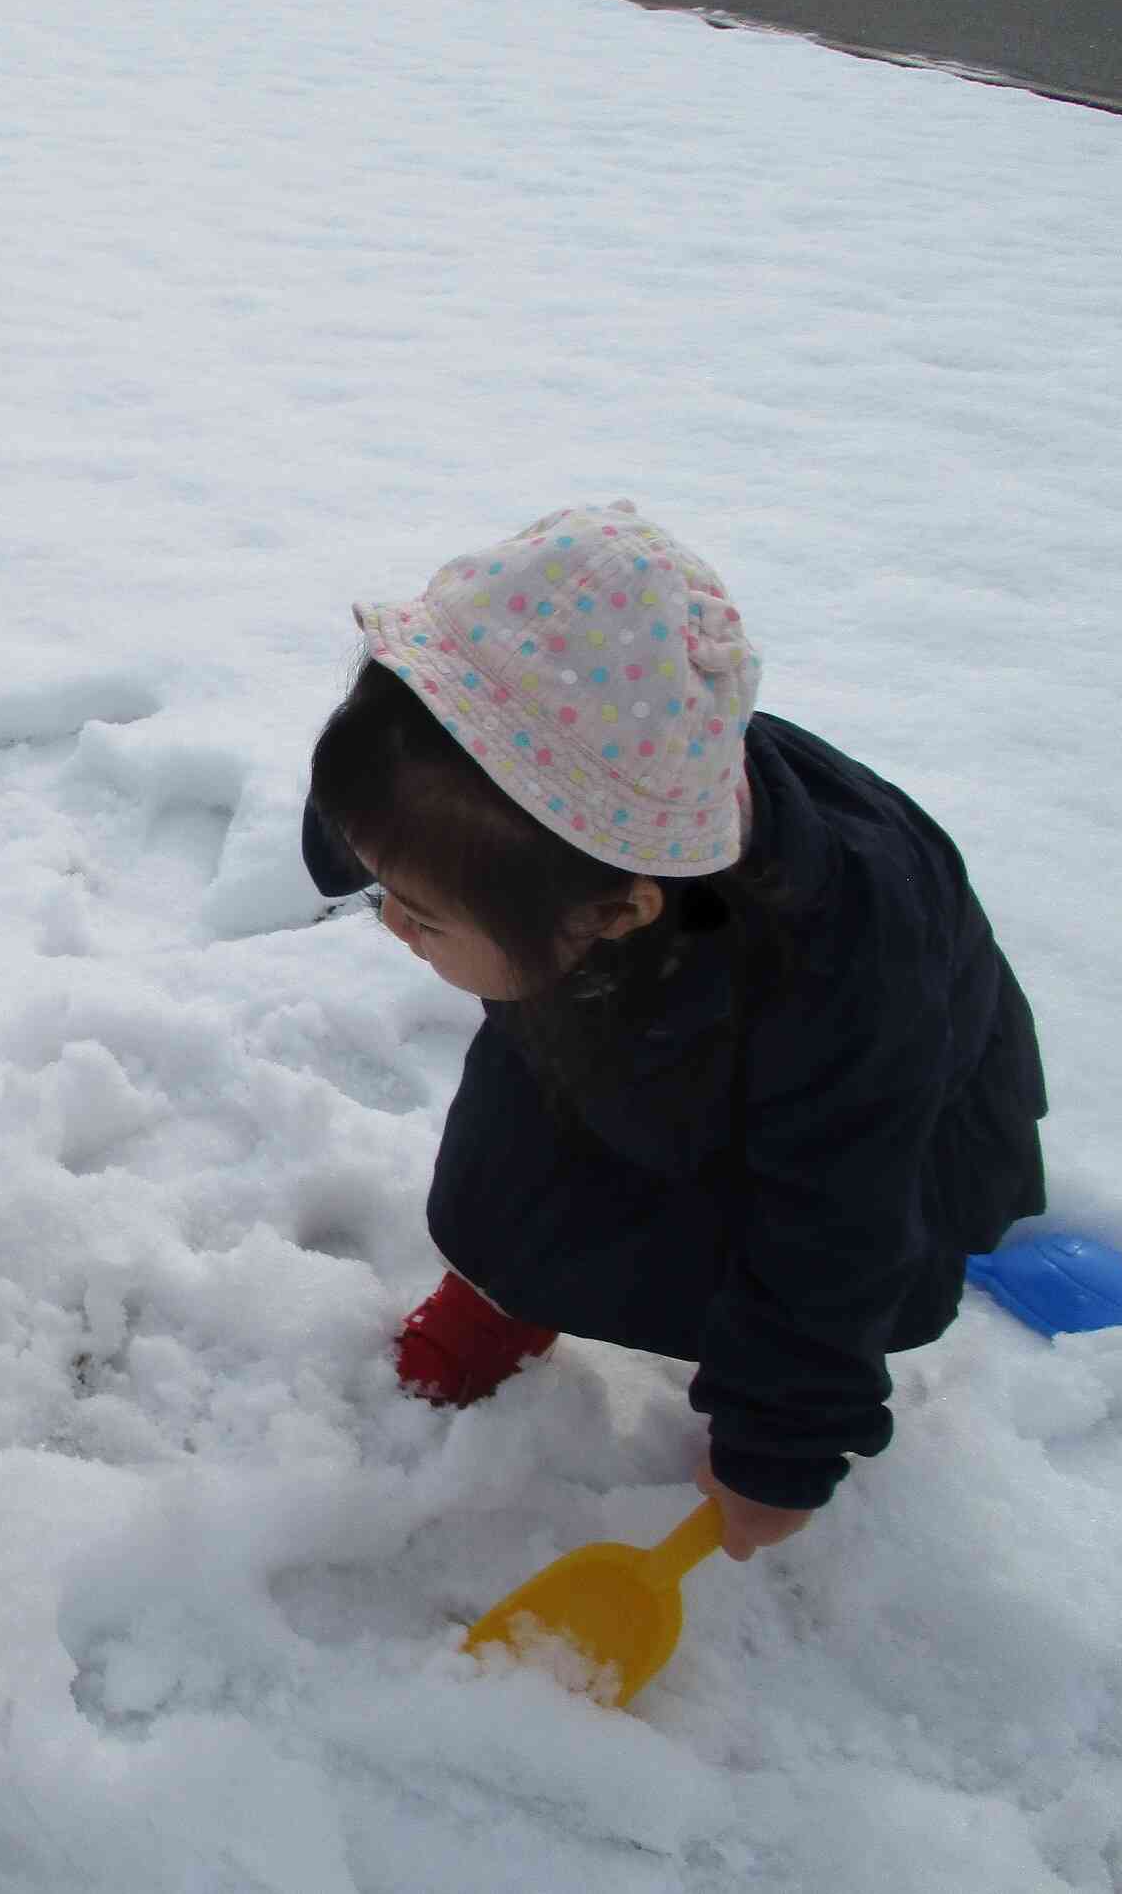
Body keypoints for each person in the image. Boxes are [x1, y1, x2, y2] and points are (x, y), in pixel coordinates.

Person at [301, 502, 1047, 1561]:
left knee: (753, 1236)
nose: (387, 925)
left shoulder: (846, 970)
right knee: (504, 1167)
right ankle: (509, 1290)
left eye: (417, 912)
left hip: (842, 1121)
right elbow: (389, 785)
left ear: (615, 912)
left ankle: (725, 1364)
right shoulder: (472, 787)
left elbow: (835, 1227)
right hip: (605, 1006)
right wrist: (372, 842)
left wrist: (781, 1443)